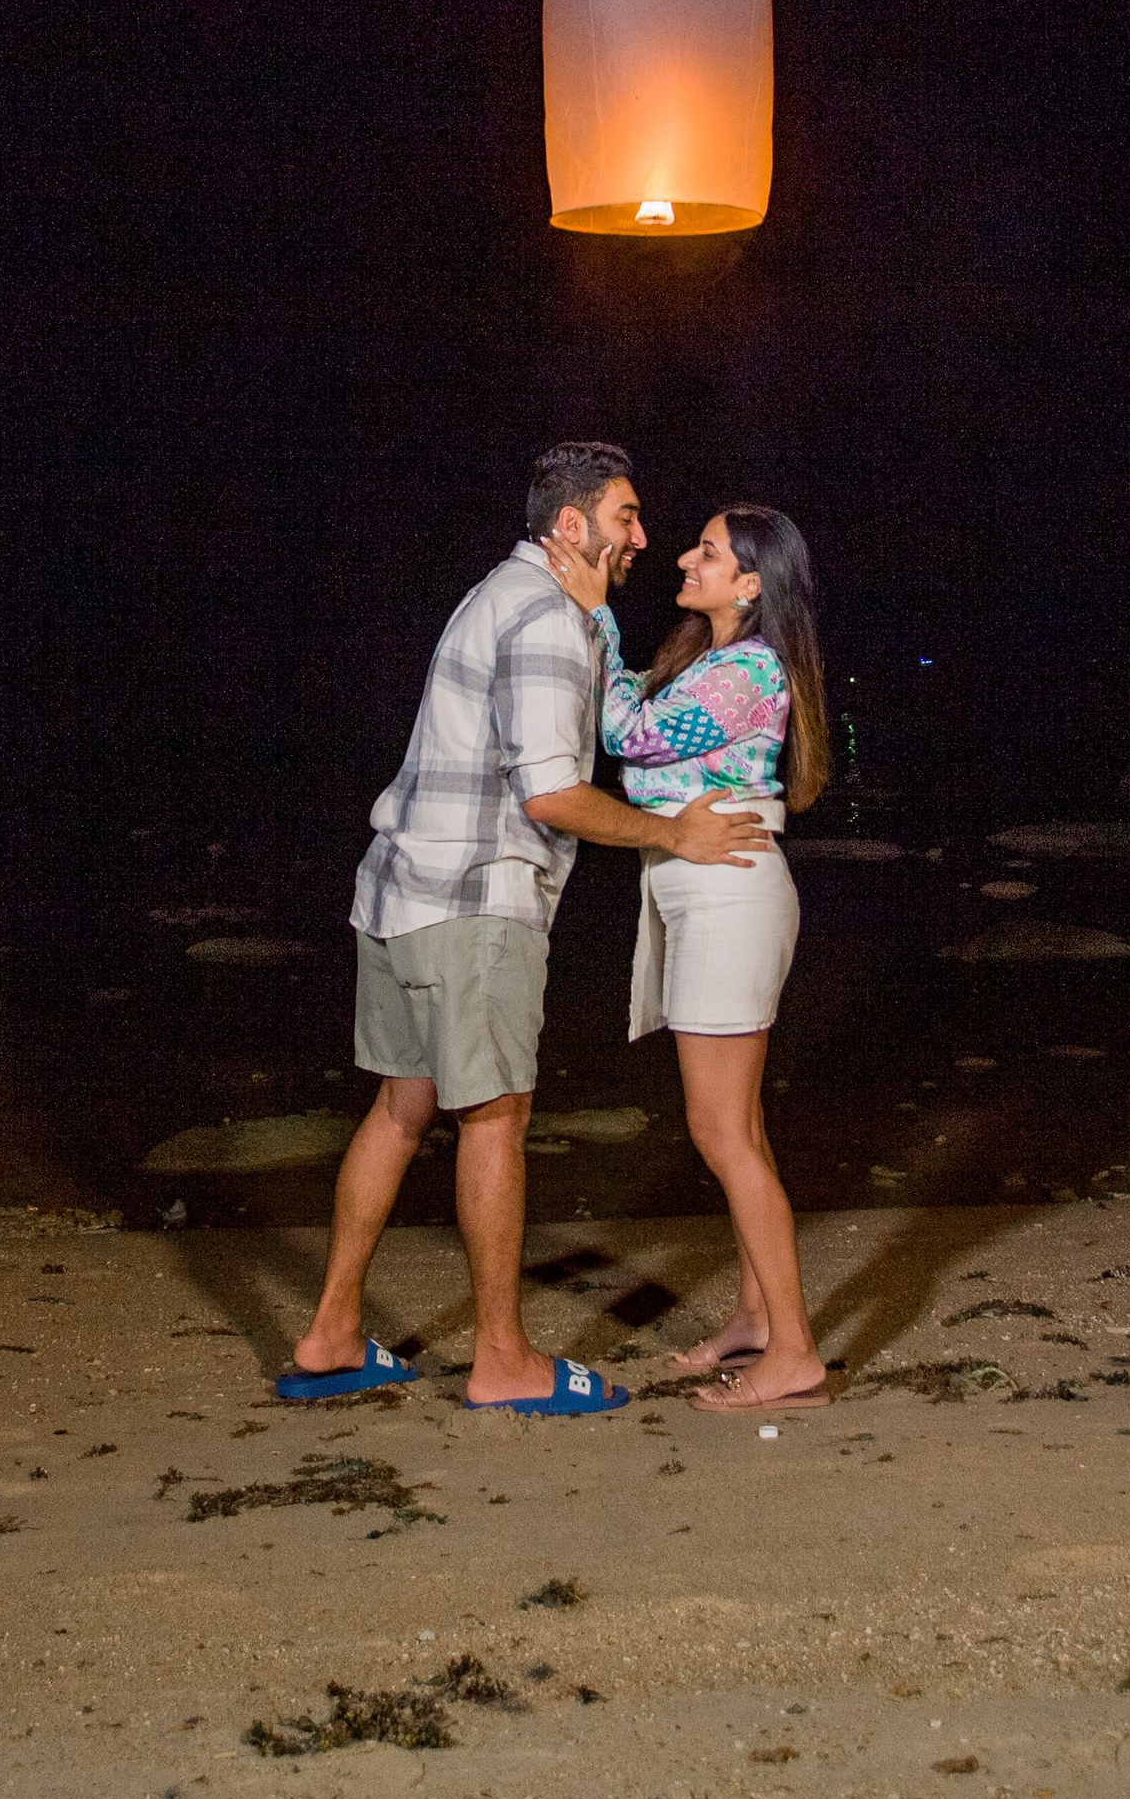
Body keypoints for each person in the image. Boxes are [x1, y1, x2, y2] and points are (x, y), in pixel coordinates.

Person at [280, 441, 774, 1414]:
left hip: (397, 892)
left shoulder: (509, 599)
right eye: (626, 516)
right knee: (496, 1118)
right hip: (472, 902)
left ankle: (332, 1331)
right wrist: (674, 831)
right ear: (570, 526)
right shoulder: (547, 618)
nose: (644, 537)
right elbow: (552, 794)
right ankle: (503, 1359)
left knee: (398, 1109)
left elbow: (611, 725)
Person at [542, 503, 831, 1413]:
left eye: (707, 552)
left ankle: (794, 1353)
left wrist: (591, 611)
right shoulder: (710, 658)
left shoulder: (749, 669)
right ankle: (756, 1316)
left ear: (752, 583)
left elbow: (627, 736)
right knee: (739, 1126)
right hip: (702, 892)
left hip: (728, 899)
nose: (683, 558)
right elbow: (632, 708)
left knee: (720, 1134)